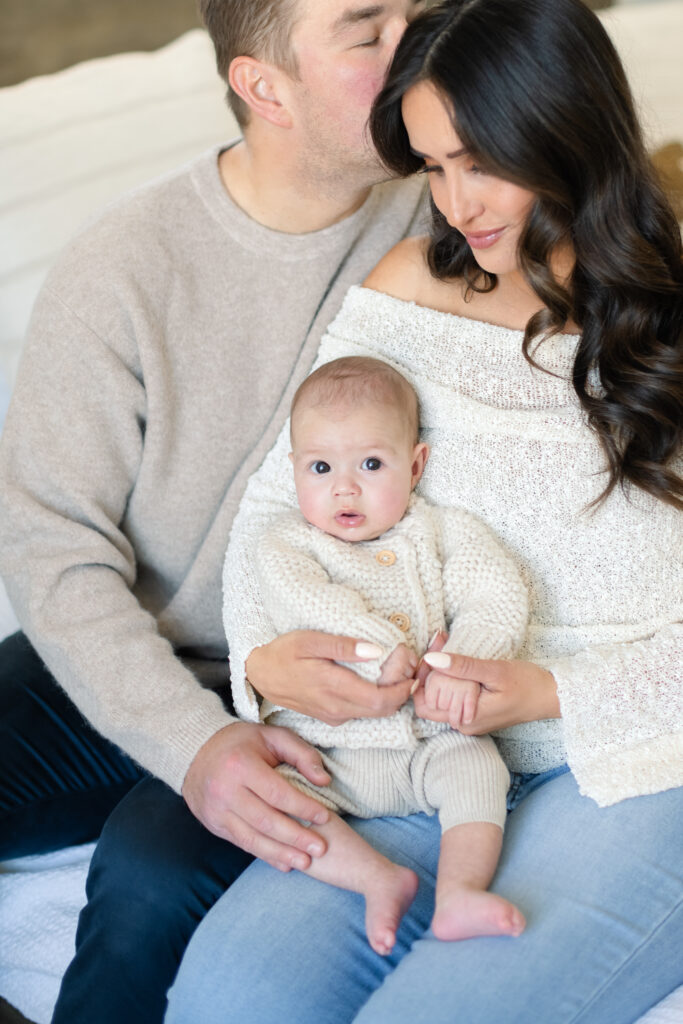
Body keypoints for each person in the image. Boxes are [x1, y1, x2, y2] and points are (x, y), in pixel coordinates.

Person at [164, 0, 683, 1021]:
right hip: (413, 756)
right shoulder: (407, 288)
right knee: (226, 998)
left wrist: (545, 692)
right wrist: (264, 666)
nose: (454, 204)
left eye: (478, 162)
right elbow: (277, 508)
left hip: (632, 761)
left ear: (564, 130)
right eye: (434, 166)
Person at [0, 2, 433, 1021]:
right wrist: (189, 743)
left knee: (147, 883)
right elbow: (52, 545)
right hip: (151, 651)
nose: (417, 42)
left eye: (418, 9)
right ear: (263, 87)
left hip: (324, 682)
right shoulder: (125, 266)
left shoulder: (458, 216)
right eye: (367, 31)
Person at [228, 355, 528, 953]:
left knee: (480, 767)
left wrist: (461, 664)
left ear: (415, 465)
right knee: (269, 799)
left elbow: (496, 595)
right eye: (320, 467)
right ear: (294, 471)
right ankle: (374, 879)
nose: (344, 487)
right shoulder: (285, 543)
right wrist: (379, 653)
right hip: (327, 754)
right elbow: (313, 604)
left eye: (371, 464)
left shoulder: (443, 532)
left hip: (431, 741)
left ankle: (460, 892)